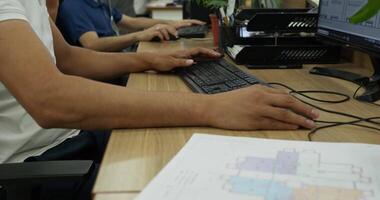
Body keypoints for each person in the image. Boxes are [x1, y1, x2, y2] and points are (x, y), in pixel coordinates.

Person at [0, 0, 319, 199]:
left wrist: (151, 61)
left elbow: (69, 59)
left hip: (74, 139)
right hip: (37, 165)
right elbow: (49, 99)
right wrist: (213, 107)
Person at [56, 0, 205, 52]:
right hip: (105, 71)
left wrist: (172, 23)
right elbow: (91, 44)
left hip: (119, 57)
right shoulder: (73, 5)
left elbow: (131, 21)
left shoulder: (100, 2)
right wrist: (138, 36)